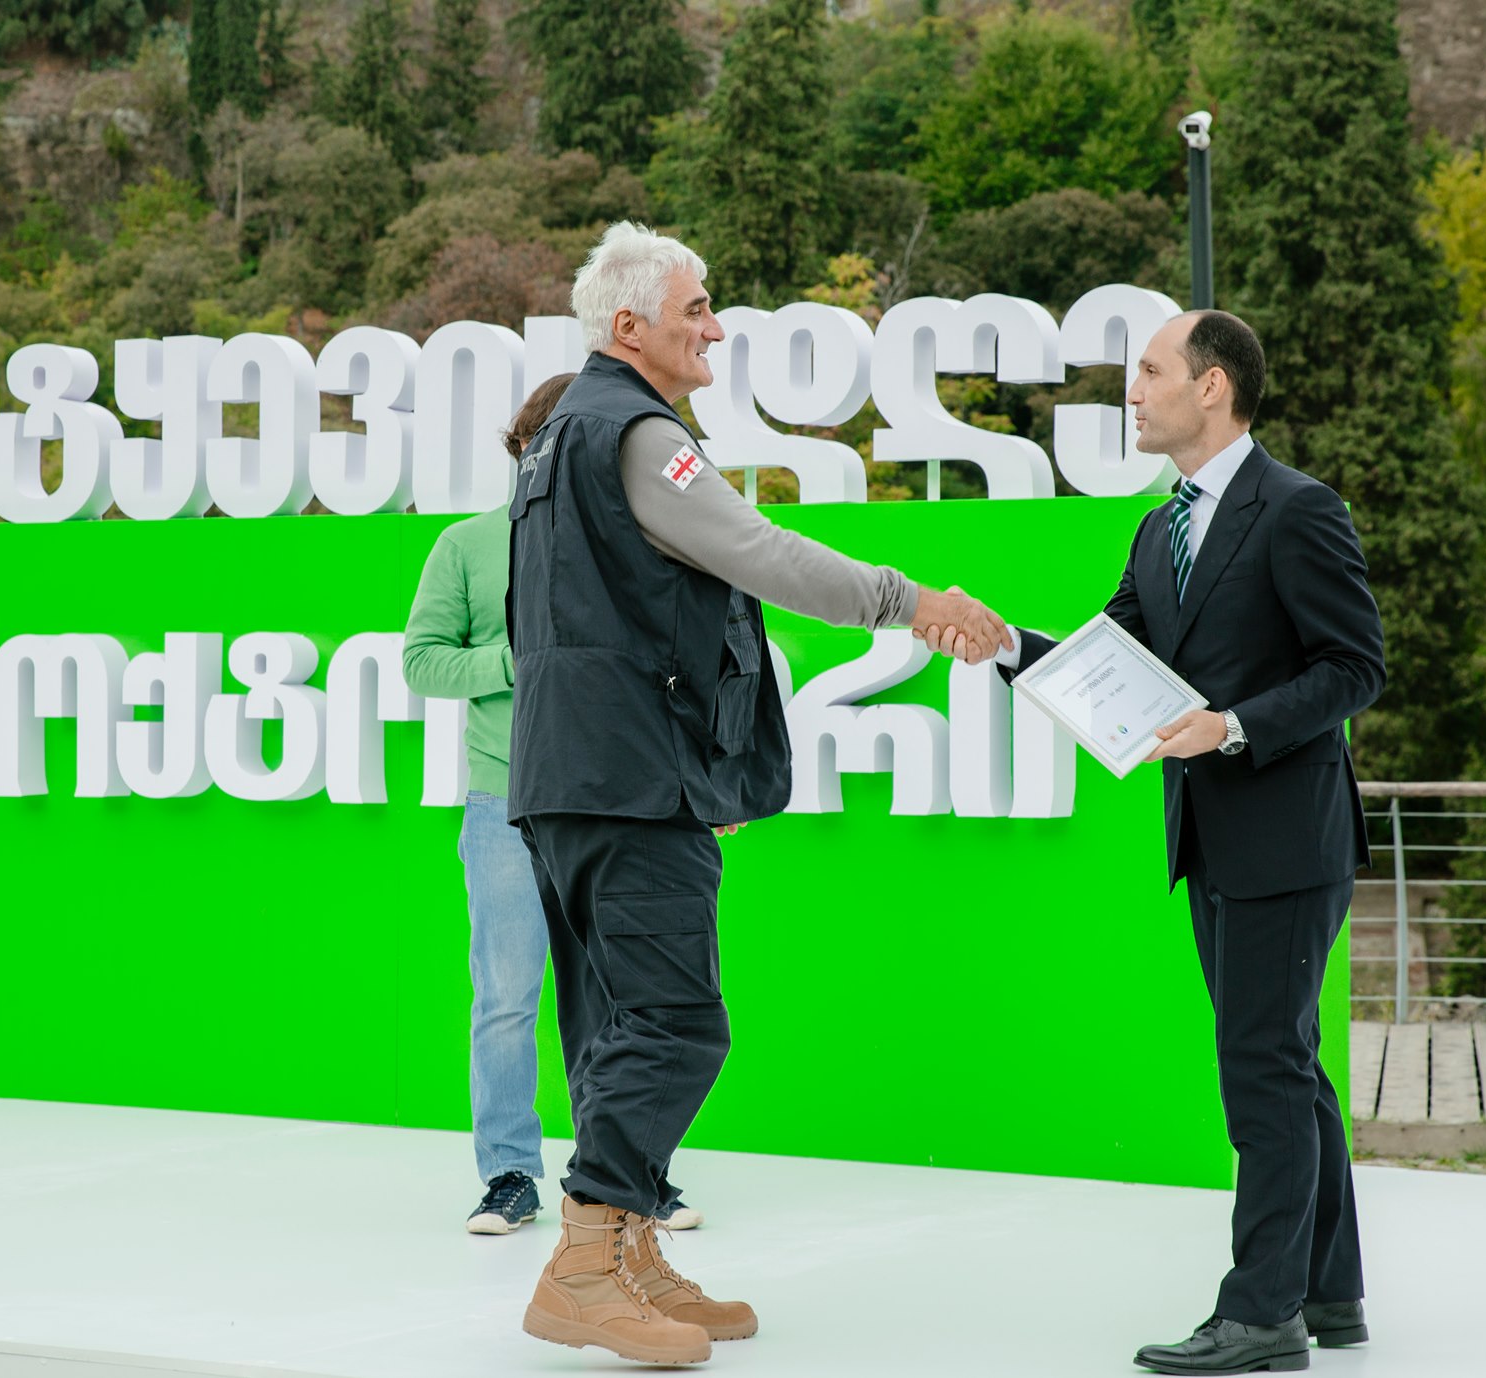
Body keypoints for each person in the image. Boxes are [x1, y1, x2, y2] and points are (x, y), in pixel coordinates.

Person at [505, 221, 1010, 1367]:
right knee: (674, 1024)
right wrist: (913, 603)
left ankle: (628, 1253)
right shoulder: (636, 434)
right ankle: (584, 1263)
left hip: (575, 778)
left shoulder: (558, 443)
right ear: (626, 326)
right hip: (627, 783)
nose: (716, 327)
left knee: (618, 1024)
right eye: (695, 308)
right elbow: (761, 554)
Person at [923, 310, 1384, 1377]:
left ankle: (1261, 1314)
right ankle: (1329, 1291)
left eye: (1149, 370)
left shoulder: (1297, 509)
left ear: (1212, 386)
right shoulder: (1156, 529)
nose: (1130, 390)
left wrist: (1233, 725)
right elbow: (1106, 662)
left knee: (1263, 1070)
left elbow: (1354, 666)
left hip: (1285, 837)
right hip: (1210, 841)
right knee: (1287, 1064)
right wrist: (1004, 644)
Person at [402, 373, 705, 1237]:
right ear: (531, 449)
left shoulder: (635, 541)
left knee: (618, 998)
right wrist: (522, 659)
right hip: (504, 799)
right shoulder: (467, 544)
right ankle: (508, 1175)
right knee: (506, 996)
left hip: (610, 798)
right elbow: (422, 661)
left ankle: (623, 1177)